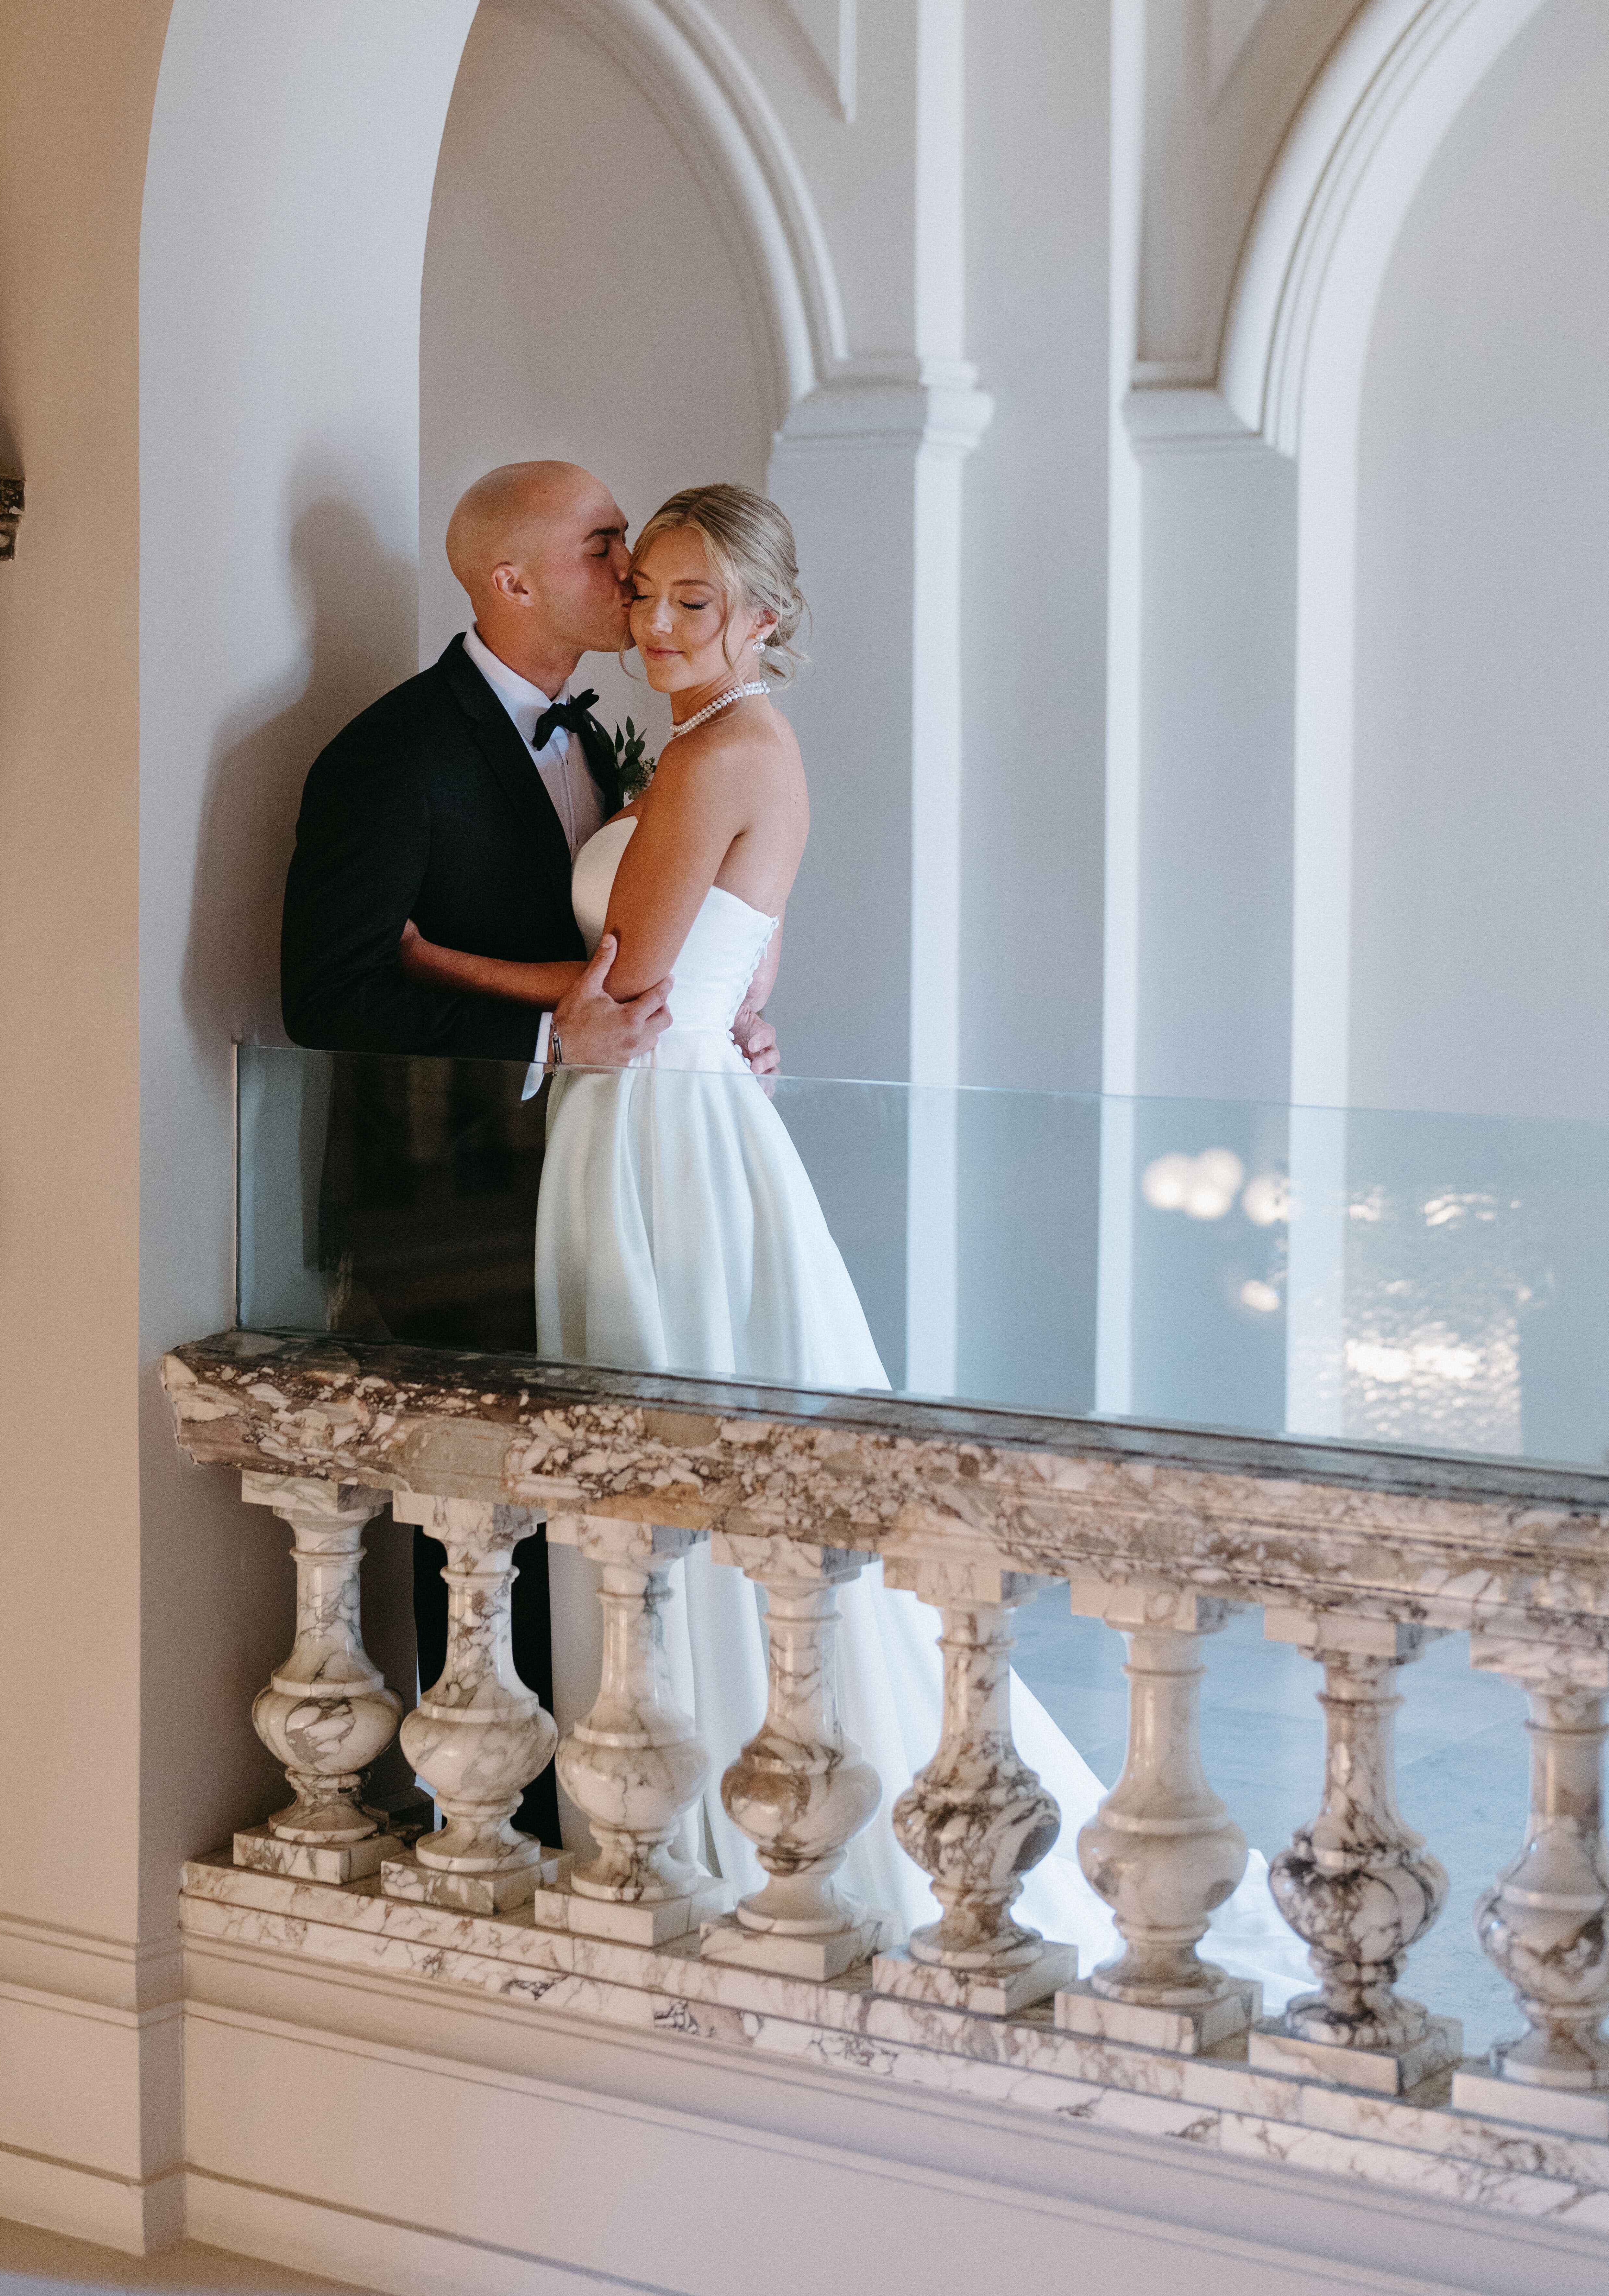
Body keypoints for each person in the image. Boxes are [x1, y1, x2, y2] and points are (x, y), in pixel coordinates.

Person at [398, 482, 1306, 1982]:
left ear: (765, 620)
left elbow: (625, 973)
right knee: (659, 1447)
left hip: (654, 1132)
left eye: (699, 601)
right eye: (650, 595)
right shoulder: (714, 746)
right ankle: (679, 1782)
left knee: (659, 1451)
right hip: (661, 1110)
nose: (662, 622)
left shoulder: (726, 746)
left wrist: (430, 956)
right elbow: (740, 985)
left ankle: (700, 1815)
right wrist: (715, 1016)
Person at [280, 460, 778, 1844]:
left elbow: (636, 956)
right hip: (457, 1203)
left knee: (618, 1522)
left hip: (613, 1173)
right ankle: (523, 1827)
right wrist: (558, 1041)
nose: (629, 574)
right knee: (498, 1542)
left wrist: (717, 1015)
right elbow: (326, 995)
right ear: (512, 581)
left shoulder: (620, 732)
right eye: (605, 546)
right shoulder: (390, 752)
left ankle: (634, 1813)